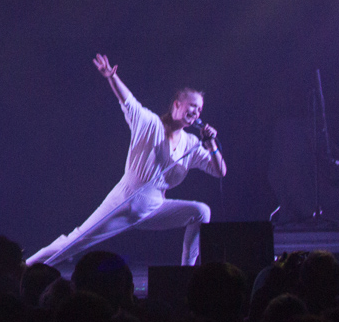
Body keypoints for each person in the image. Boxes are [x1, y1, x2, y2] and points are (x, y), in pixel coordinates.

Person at [28, 54, 225, 268]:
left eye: (200, 109)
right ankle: (26, 267)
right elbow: (129, 101)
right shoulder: (149, 123)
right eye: (193, 106)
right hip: (124, 202)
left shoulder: (192, 143)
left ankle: (187, 270)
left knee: (201, 212)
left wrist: (211, 144)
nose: (196, 112)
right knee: (75, 242)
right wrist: (111, 77)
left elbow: (220, 171)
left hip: (153, 208)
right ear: (177, 104)